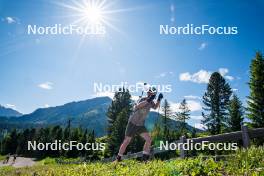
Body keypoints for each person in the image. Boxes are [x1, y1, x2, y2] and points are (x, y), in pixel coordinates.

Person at [115, 86, 163, 162]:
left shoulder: (151, 102)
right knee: (127, 140)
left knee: (149, 139)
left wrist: (159, 99)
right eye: (149, 92)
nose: (150, 93)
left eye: (152, 93)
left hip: (141, 125)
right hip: (133, 123)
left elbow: (155, 107)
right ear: (148, 93)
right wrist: (149, 99)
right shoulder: (143, 99)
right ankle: (118, 159)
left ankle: (144, 158)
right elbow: (137, 106)